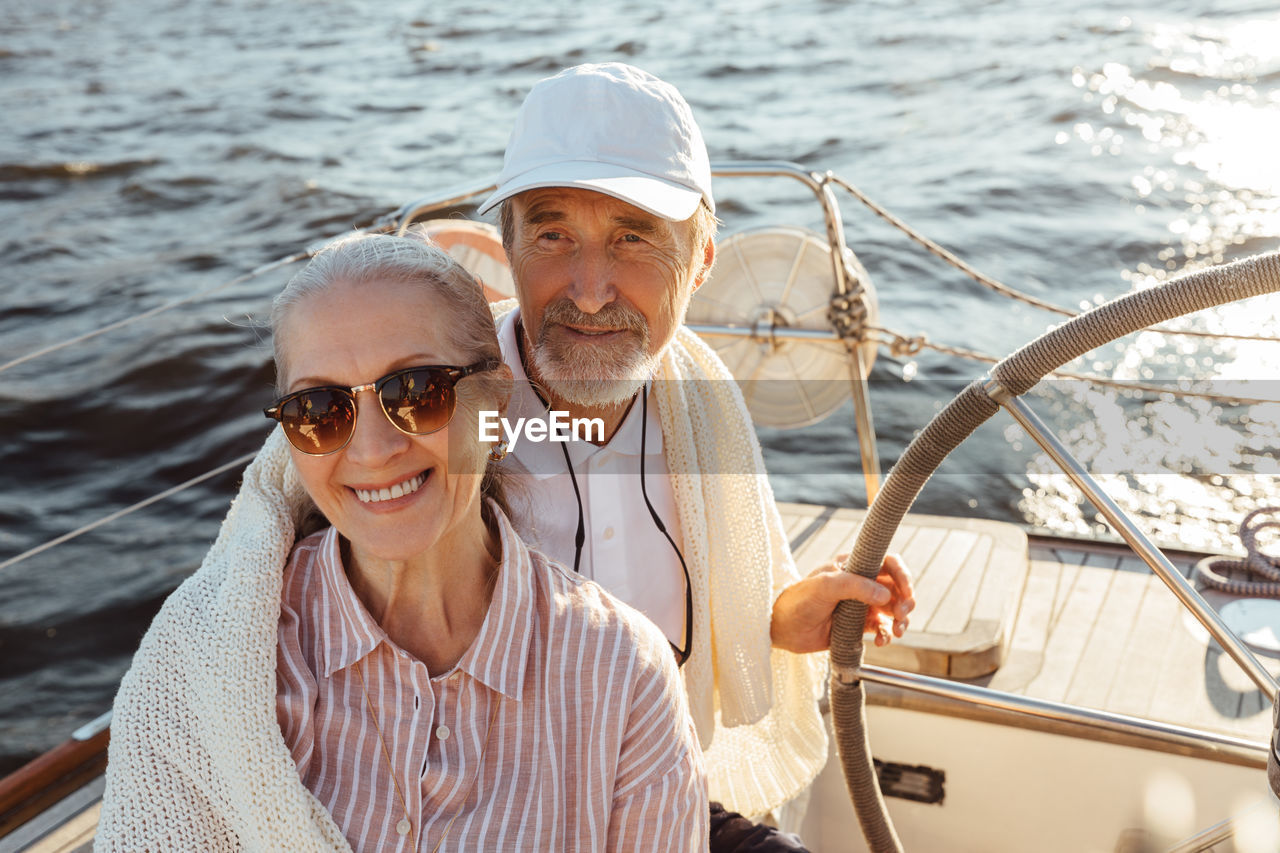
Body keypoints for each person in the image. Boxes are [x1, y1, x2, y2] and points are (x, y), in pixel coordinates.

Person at [97, 233, 708, 852]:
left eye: (416, 392)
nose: (373, 451)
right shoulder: (200, 660)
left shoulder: (623, 675)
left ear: (494, 400)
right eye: (321, 408)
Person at [475, 63, 915, 850]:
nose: (589, 290)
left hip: (672, 801)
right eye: (552, 235)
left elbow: (722, 611)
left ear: (704, 258)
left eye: (634, 238)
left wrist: (791, 612)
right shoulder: (438, 411)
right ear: (506, 246)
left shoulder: (702, 399)